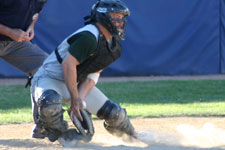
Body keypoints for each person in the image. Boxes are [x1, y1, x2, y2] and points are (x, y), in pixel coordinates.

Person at [30, 0, 136, 146]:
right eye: (115, 16)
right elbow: (68, 65)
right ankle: (56, 131)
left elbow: (94, 74)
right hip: (50, 79)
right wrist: (74, 98)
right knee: (50, 103)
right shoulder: (89, 36)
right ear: (102, 17)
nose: (120, 21)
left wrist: (80, 99)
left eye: (121, 17)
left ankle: (134, 136)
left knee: (115, 115)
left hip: (76, 82)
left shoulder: (114, 45)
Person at [0, 0, 48, 82]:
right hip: (11, 37)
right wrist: (10, 32)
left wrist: (31, 26)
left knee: (50, 69)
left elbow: (35, 14)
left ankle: (40, 92)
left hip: (14, 44)